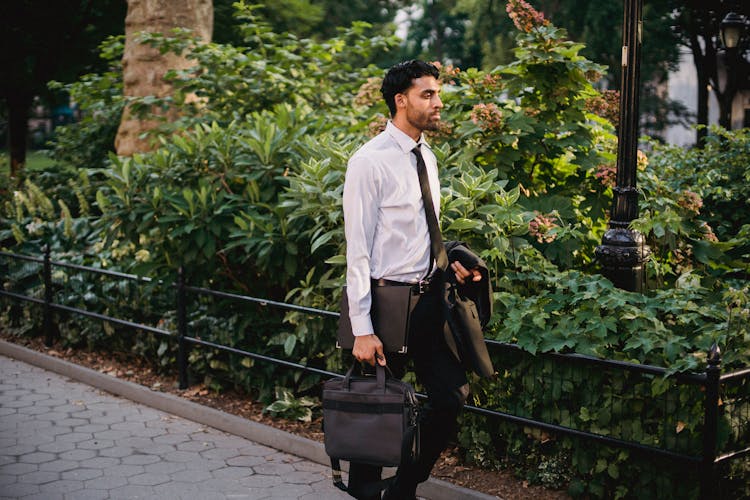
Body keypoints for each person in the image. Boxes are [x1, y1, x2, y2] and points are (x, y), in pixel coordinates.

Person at [342, 60, 482, 500]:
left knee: (449, 398)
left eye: (437, 94)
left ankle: (402, 488)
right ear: (401, 101)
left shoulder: (428, 157)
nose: (438, 103)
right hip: (386, 306)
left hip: (428, 301)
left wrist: (452, 259)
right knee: (373, 411)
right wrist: (362, 330)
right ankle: (368, 491)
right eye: (428, 95)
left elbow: (424, 229)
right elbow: (358, 251)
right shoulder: (369, 162)